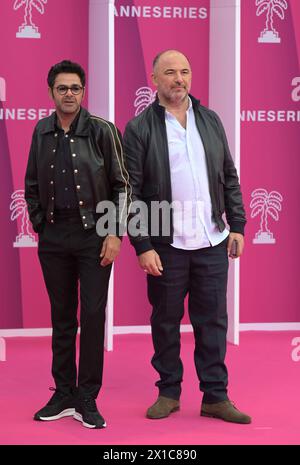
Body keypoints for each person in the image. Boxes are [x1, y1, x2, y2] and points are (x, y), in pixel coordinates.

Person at [124, 50, 251, 424]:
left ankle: (215, 395)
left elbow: (229, 175)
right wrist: (143, 245)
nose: (179, 79)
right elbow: (129, 190)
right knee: (165, 320)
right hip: (167, 245)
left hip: (212, 240)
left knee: (212, 321)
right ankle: (168, 391)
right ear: (154, 79)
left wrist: (238, 225)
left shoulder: (209, 119)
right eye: (170, 72)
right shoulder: (139, 128)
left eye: (184, 72)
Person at [25, 60, 129, 429]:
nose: (69, 94)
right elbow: (32, 184)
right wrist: (41, 225)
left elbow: (122, 184)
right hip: (54, 236)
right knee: (62, 315)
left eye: (75, 88)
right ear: (51, 92)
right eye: (62, 88)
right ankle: (64, 391)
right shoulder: (41, 130)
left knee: (94, 315)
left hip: (95, 237)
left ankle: (87, 396)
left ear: (84, 92)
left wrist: (114, 232)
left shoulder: (101, 130)